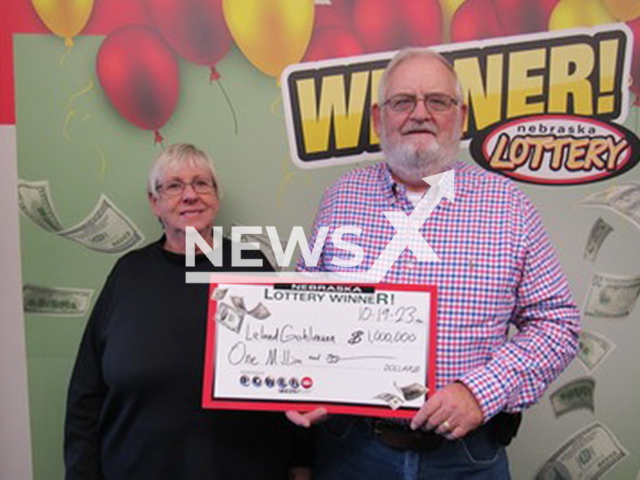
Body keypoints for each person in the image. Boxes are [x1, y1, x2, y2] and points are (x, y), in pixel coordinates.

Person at [290, 48, 581, 479]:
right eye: (402, 101)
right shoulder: (340, 199)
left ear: (459, 116)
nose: (419, 114)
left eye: (437, 102)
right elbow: (304, 303)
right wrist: (302, 377)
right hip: (353, 452)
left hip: (466, 460)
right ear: (378, 118)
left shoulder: (510, 208)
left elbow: (558, 323)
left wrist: (480, 392)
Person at [65, 143, 309, 479]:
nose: (190, 195)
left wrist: (301, 465)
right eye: (174, 185)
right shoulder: (128, 274)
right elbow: (86, 392)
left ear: (216, 196)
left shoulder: (251, 266)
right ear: (155, 202)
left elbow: (289, 376)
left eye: (201, 183)